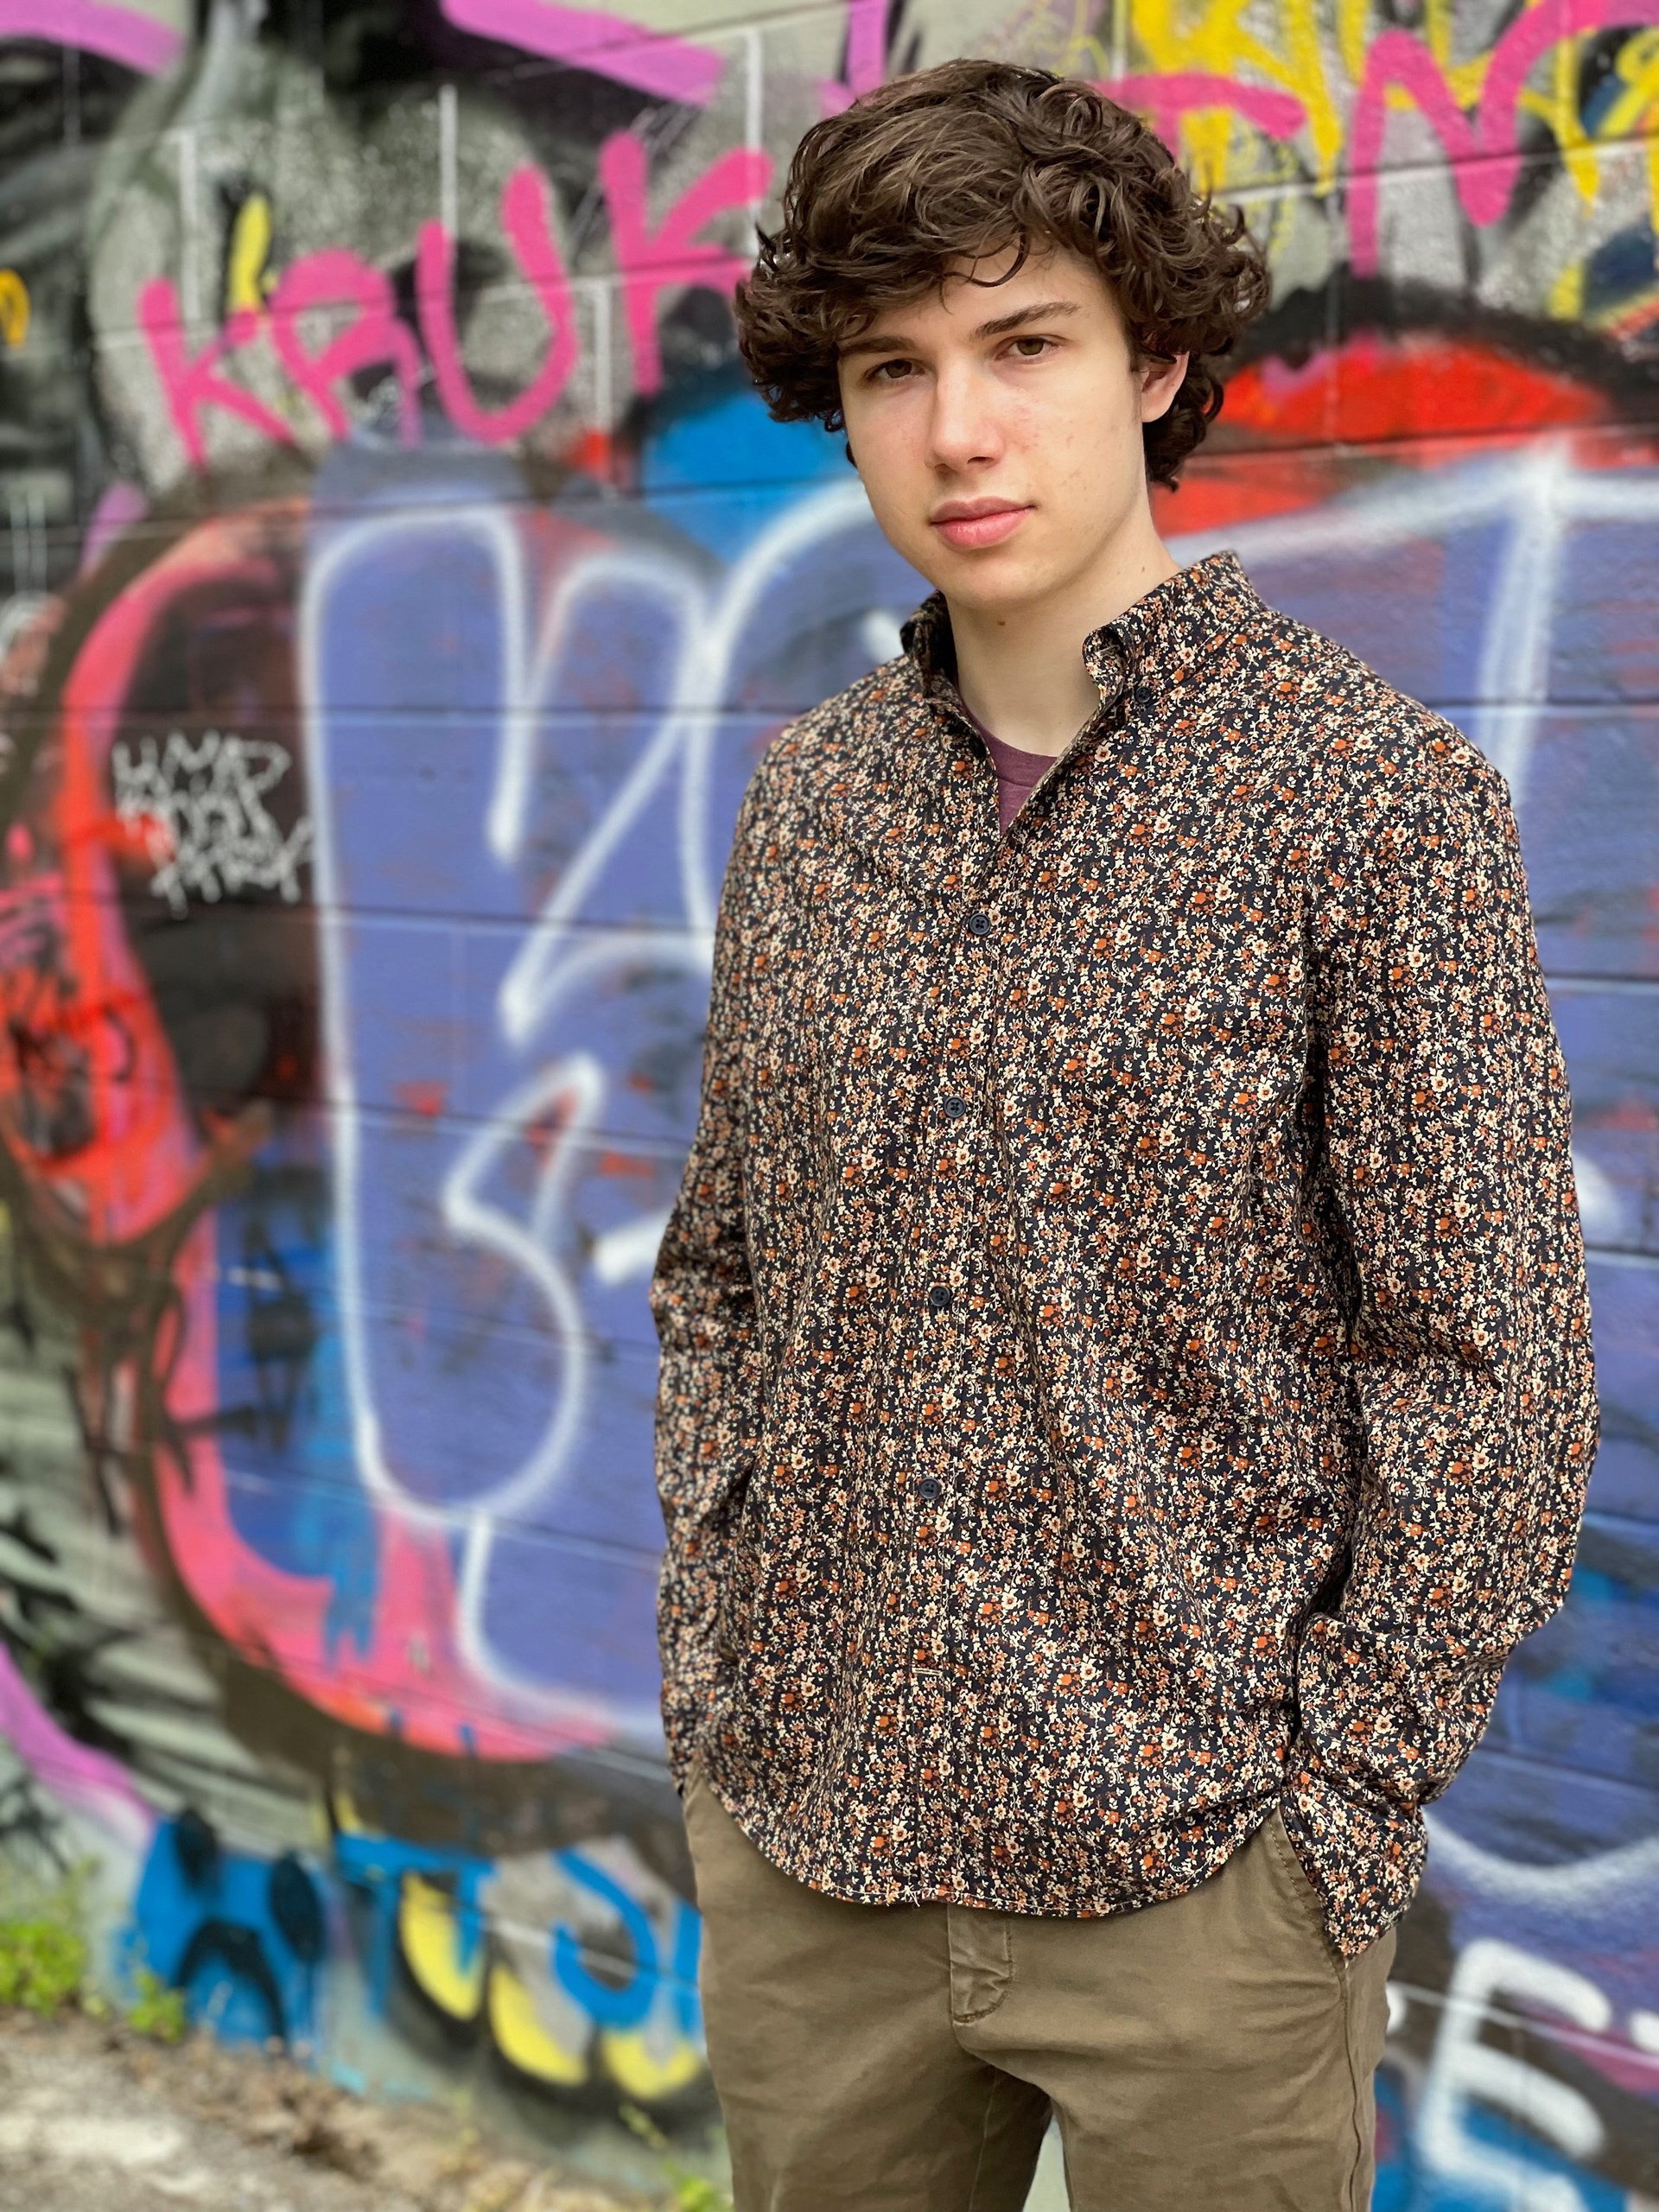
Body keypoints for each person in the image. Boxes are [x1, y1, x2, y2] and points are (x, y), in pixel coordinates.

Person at [648, 57, 1598, 2212]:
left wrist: (1335, 1804)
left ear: (1154, 361)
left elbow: (1492, 1364)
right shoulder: (810, 804)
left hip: (1202, 1889)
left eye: (1025, 345)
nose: (959, 430)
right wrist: (721, 1666)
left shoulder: (1366, 803)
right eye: (893, 369)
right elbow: (725, 1271)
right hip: (818, 1862)